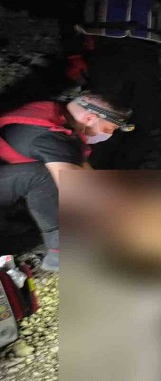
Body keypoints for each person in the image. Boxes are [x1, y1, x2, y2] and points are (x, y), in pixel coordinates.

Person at [0, 91, 133, 271]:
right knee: (44, 177)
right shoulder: (51, 138)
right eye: (109, 129)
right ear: (90, 118)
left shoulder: (56, 113)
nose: (108, 134)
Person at [60, 0, 161, 169]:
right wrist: (74, 55)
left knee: (143, 112)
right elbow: (70, 18)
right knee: (101, 111)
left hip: (147, 56)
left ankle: (130, 166)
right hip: (105, 53)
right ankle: (97, 165)